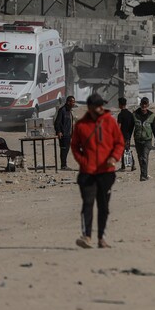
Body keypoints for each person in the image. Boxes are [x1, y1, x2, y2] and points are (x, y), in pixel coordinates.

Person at [71, 93, 124, 249]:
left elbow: (119, 143)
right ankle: (87, 236)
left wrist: (114, 158)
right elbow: (74, 147)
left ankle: (101, 238)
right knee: (87, 204)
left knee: (103, 206)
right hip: (87, 173)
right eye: (98, 105)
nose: (101, 108)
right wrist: (83, 161)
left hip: (106, 172)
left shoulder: (110, 122)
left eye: (102, 105)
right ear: (90, 108)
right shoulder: (81, 125)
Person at [132, 97, 155, 182]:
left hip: (147, 140)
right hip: (138, 140)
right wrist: (127, 139)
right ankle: (143, 173)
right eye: (142, 104)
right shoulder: (134, 115)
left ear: (148, 105)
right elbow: (130, 128)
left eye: (145, 104)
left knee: (144, 157)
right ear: (140, 104)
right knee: (140, 157)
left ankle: (143, 175)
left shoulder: (151, 116)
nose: (144, 105)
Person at [54, 96, 77, 170]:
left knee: (66, 150)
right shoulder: (62, 110)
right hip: (63, 134)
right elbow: (57, 122)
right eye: (72, 102)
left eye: (74, 102)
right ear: (68, 102)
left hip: (68, 134)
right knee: (63, 150)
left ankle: (64, 165)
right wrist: (59, 131)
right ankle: (63, 166)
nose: (73, 103)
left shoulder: (69, 111)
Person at [116, 97, 135, 171]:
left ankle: (130, 165)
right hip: (128, 135)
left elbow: (118, 126)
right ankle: (126, 165)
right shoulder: (130, 114)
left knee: (124, 150)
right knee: (126, 150)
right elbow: (133, 125)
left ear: (120, 104)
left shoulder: (120, 115)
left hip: (122, 135)